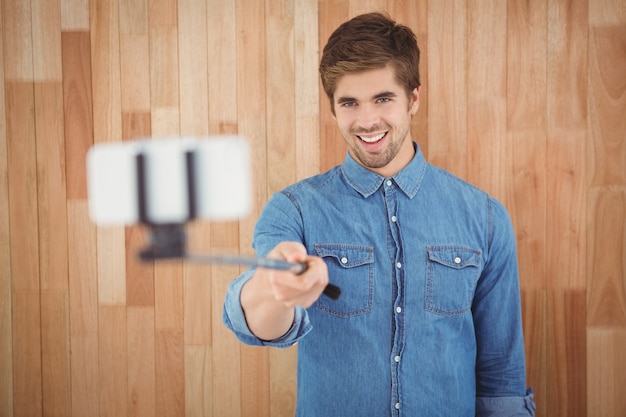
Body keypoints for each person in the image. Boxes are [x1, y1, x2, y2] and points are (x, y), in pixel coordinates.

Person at [223, 12, 536, 417]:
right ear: (333, 109)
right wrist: (275, 284)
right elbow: (259, 323)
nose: (367, 121)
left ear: (414, 99)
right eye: (349, 102)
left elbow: (500, 379)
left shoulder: (486, 218)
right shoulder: (294, 210)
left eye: (383, 99)